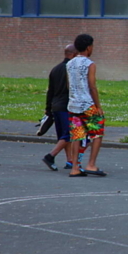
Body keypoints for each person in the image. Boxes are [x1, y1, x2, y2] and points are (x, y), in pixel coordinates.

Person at [66, 33, 106, 176]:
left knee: (77, 136)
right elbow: (92, 86)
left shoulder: (69, 64)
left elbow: (68, 85)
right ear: (89, 47)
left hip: (73, 105)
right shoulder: (90, 64)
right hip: (88, 104)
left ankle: (75, 167)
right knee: (97, 133)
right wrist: (98, 106)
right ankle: (91, 164)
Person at [41, 43, 76, 171]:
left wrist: (48, 109)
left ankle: (70, 161)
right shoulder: (71, 69)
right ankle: (50, 156)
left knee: (63, 135)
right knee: (70, 134)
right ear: (73, 55)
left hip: (55, 106)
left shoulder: (55, 69)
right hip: (67, 106)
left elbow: (50, 91)